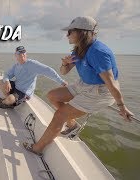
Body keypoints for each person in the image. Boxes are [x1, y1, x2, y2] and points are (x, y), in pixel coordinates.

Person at [23, 16, 134, 156]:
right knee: (52, 96)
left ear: (82, 32)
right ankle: (72, 125)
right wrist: (65, 63)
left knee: (60, 115)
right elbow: (64, 72)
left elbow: (110, 83)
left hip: (100, 91)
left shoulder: (98, 52)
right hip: (84, 84)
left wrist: (122, 107)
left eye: (70, 32)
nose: (66, 35)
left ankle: (37, 148)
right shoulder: (79, 49)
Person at [0, 46, 67, 109]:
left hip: (24, 92)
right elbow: (7, 74)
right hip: (16, 87)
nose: (22, 55)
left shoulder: (32, 64)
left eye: (24, 53)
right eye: (19, 53)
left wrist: (62, 82)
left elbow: (48, 71)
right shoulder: (16, 65)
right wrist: (7, 81)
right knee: (1, 82)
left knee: (9, 99)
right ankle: (8, 100)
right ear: (15, 55)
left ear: (26, 54)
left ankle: (9, 102)